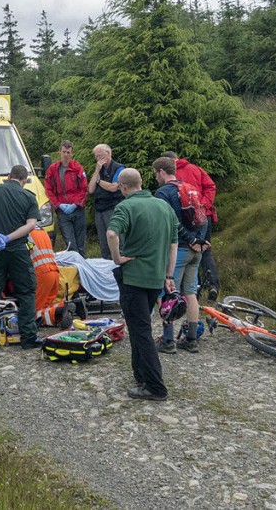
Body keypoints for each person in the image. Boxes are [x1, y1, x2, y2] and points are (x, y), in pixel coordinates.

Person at [107, 168, 178, 401]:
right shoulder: (164, 206)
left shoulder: (126, 207)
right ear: (141, 183)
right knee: (140, 326)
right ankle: (140, 374)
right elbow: (173, 244)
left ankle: (155, 386)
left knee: (141, 331)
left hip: (134, 277)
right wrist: (168, 275)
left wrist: (117, 258)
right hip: (156, 277)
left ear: (123, 186)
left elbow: (111, 233)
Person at [0, 164, 42, 350]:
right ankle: (28, 338)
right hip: (18, 250)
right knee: (26, 292)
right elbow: (31, 225)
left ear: (8, 176)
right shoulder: (29, 197)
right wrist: (10, 237)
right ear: (24, 180)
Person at [153, 156, 209, 354]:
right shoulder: (190, 187)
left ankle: (168, 341)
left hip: (180, 250)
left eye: (156, 173)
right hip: (196, 252)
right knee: (190, 293)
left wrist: (190, 240)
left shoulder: (163, 192)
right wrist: (200, 241)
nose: (156, 177)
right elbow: (204, 217)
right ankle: (191, 339)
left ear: (161, 172)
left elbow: (172, 222)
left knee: (168, 293)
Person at [164, 151, 220, 301]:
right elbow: (210, 186)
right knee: (204, 251)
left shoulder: (171, 175)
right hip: (203, 215)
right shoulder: (196, 169)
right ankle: (213, 286)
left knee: (187, 250)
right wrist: (203, 205)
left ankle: (194, 289)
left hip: (186, 218)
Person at [44, 140, 88, 253]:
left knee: (81, 244)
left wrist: (76, 204)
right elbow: (48, 190)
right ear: (60, 152)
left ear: (72, 153)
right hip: (62, 211)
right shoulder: (53, 169)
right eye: (64, 152)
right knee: (70, 244)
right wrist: (58, 205)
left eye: (68, 152)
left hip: (78, 209)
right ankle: (74, 267)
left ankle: (81, 269)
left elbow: (84, 189)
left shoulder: (78, 168)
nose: (66, 155)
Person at [89, 144, 126, 259]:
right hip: (100, 209)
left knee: (115, 238)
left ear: (108, 153)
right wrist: (97, 171)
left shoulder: (119, 168)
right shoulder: (99, 170)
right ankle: (106, 264)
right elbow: (90, 189)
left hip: (113, 207)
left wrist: (99, 181)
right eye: (96, 157)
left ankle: (120, 264)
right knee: (103, 241)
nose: (98, 159)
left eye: (100, 155)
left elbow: (114, 187)